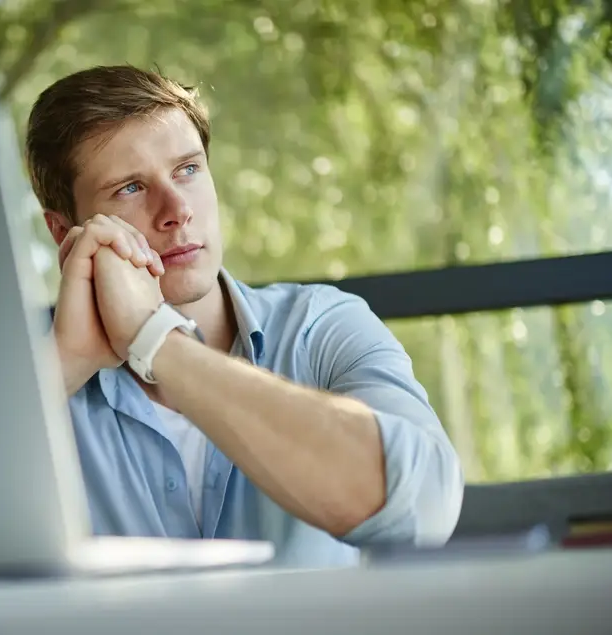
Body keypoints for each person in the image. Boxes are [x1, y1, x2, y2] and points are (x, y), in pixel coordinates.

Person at [25, 64, 464, 568]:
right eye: (130, 188)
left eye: (188, 170)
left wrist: (155, 340)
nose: (177, 210)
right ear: (64, 231)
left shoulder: (321, 327)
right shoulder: (26, 365)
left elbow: (424, 510)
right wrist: (61, 367)